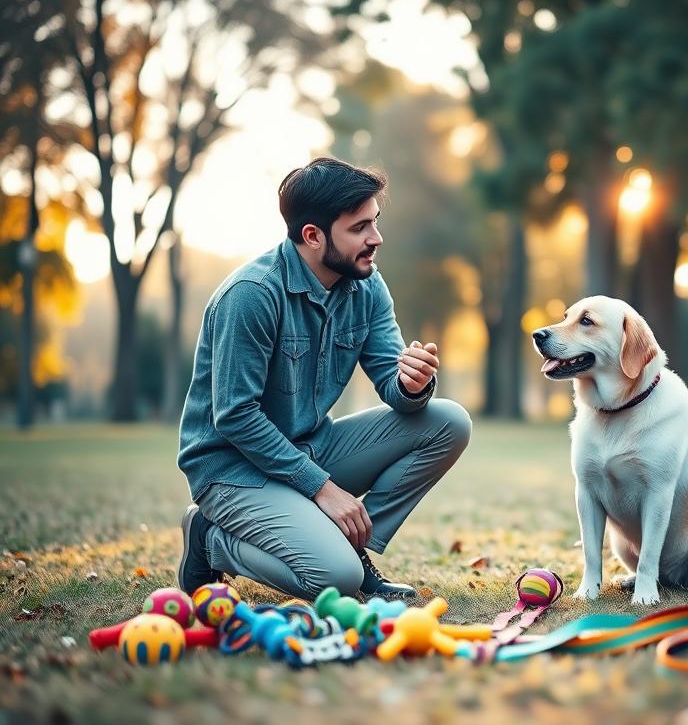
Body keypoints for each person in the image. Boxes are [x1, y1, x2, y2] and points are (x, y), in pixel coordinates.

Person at [175, 157, 472, 600]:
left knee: (448, 421)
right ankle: (210, 538)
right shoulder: (251, 296)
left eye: (375, 222)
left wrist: (412, 385)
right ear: (312, 236)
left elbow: (394, 389)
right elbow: (235, 417)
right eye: (359, 228)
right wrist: (323, 489)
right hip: (233, 469)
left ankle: (352, 549)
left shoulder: (367, 285)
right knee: (336, 580)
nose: (376, 238)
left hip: (311, 447)